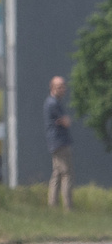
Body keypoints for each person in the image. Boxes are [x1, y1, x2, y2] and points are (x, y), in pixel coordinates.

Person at [44, 75, 73, 211]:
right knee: (66, 174)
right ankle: (68, 207)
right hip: (59, 142)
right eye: (60, 87)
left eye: (63, 86)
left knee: (57, 173)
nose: (63, 89)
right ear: (53, 88)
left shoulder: (54, 103)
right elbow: (65, 121)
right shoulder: (53, 103)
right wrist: (66, 120)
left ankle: (53, 205)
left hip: (55, 142)